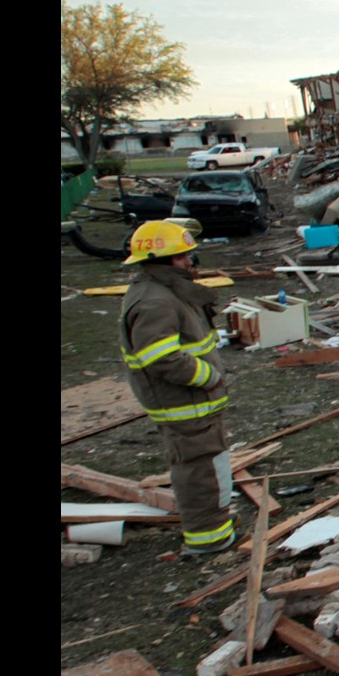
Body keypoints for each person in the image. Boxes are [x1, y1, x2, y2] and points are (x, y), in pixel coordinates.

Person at [117, 220, 236, 555]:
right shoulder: (155, 302)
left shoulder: (165, 290)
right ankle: (208, 539)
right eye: (182, 256)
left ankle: (215, 523)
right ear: (160, 260)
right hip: (184, 403)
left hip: (194, 401)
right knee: (199, 471)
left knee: (209, 467)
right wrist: (209, 377)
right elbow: (161, 358)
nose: (189, 261)